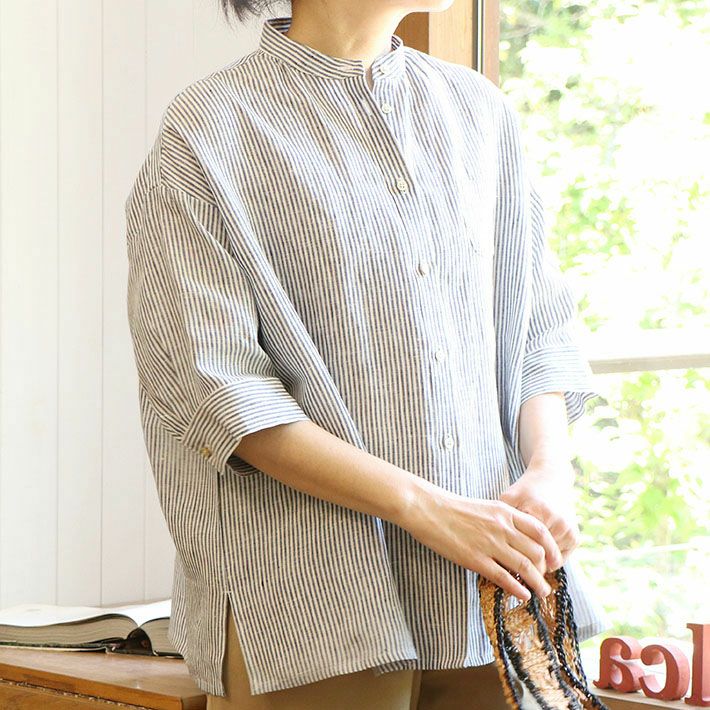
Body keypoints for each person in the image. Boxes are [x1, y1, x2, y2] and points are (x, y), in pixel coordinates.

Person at [124, 0, 606, 707]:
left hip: (493, 592)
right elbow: (221, 394)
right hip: (311, 605)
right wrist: (426, 509)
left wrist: (549, 470)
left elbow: (538, 325)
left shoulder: (479, 112)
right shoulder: (207, 131)